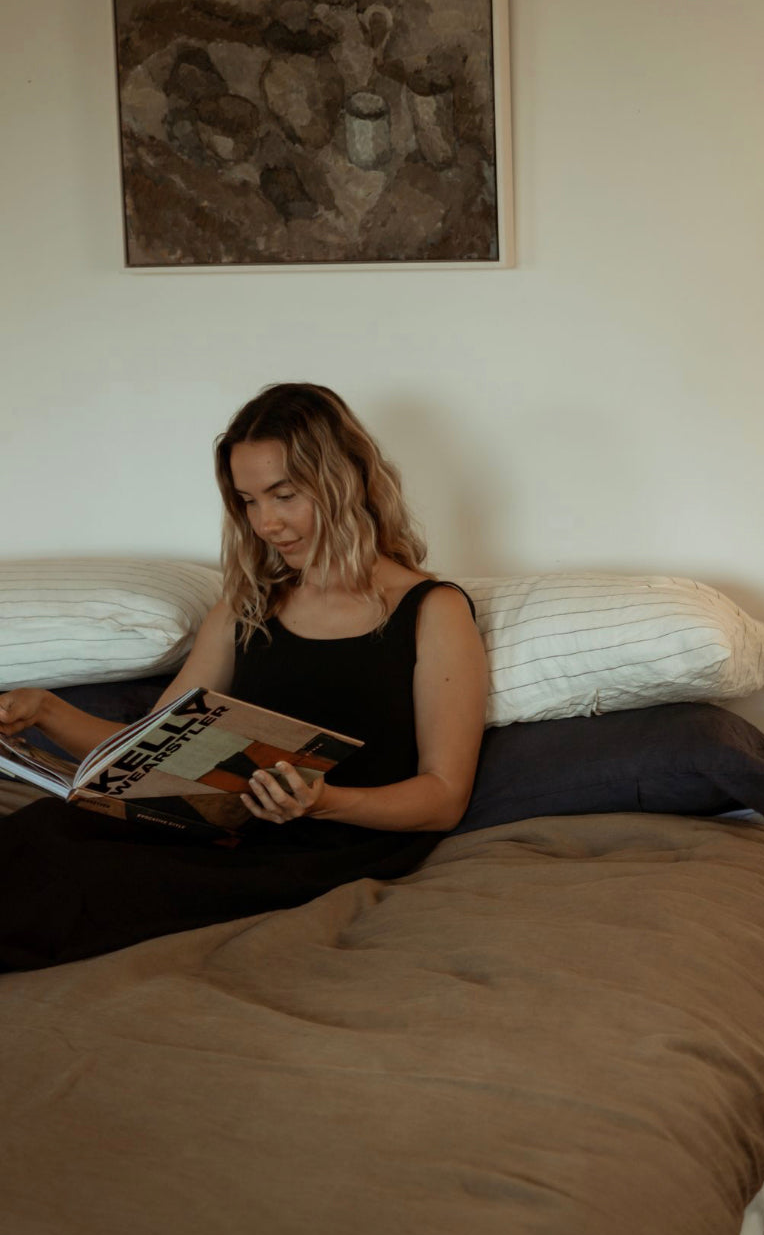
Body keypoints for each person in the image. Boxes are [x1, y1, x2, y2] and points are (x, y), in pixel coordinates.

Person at [0, 382, 488, 972]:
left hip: (319, 844)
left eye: (284, 495)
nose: (266, 523)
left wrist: (323, 802)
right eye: (249, 501)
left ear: (348, 480)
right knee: (39, 831)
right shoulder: (245, 609)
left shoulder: (432, 609)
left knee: (75, 883)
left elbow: (442, 799)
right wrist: (47, 711)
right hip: (211, 827)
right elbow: (146, 756)